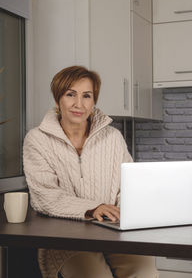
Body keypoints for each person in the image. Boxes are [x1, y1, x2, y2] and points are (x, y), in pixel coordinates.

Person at [23, 66, 158, 278]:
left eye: (87, 96)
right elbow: (44, 197)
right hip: (66, 238)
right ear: (58, 99)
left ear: (94, 101)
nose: (79, 104)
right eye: (70, 95)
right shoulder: (37, 139)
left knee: (145, 271)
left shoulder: (112, 137)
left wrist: (126, 214)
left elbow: (128, 186)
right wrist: (93, 208)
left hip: (115, 233)